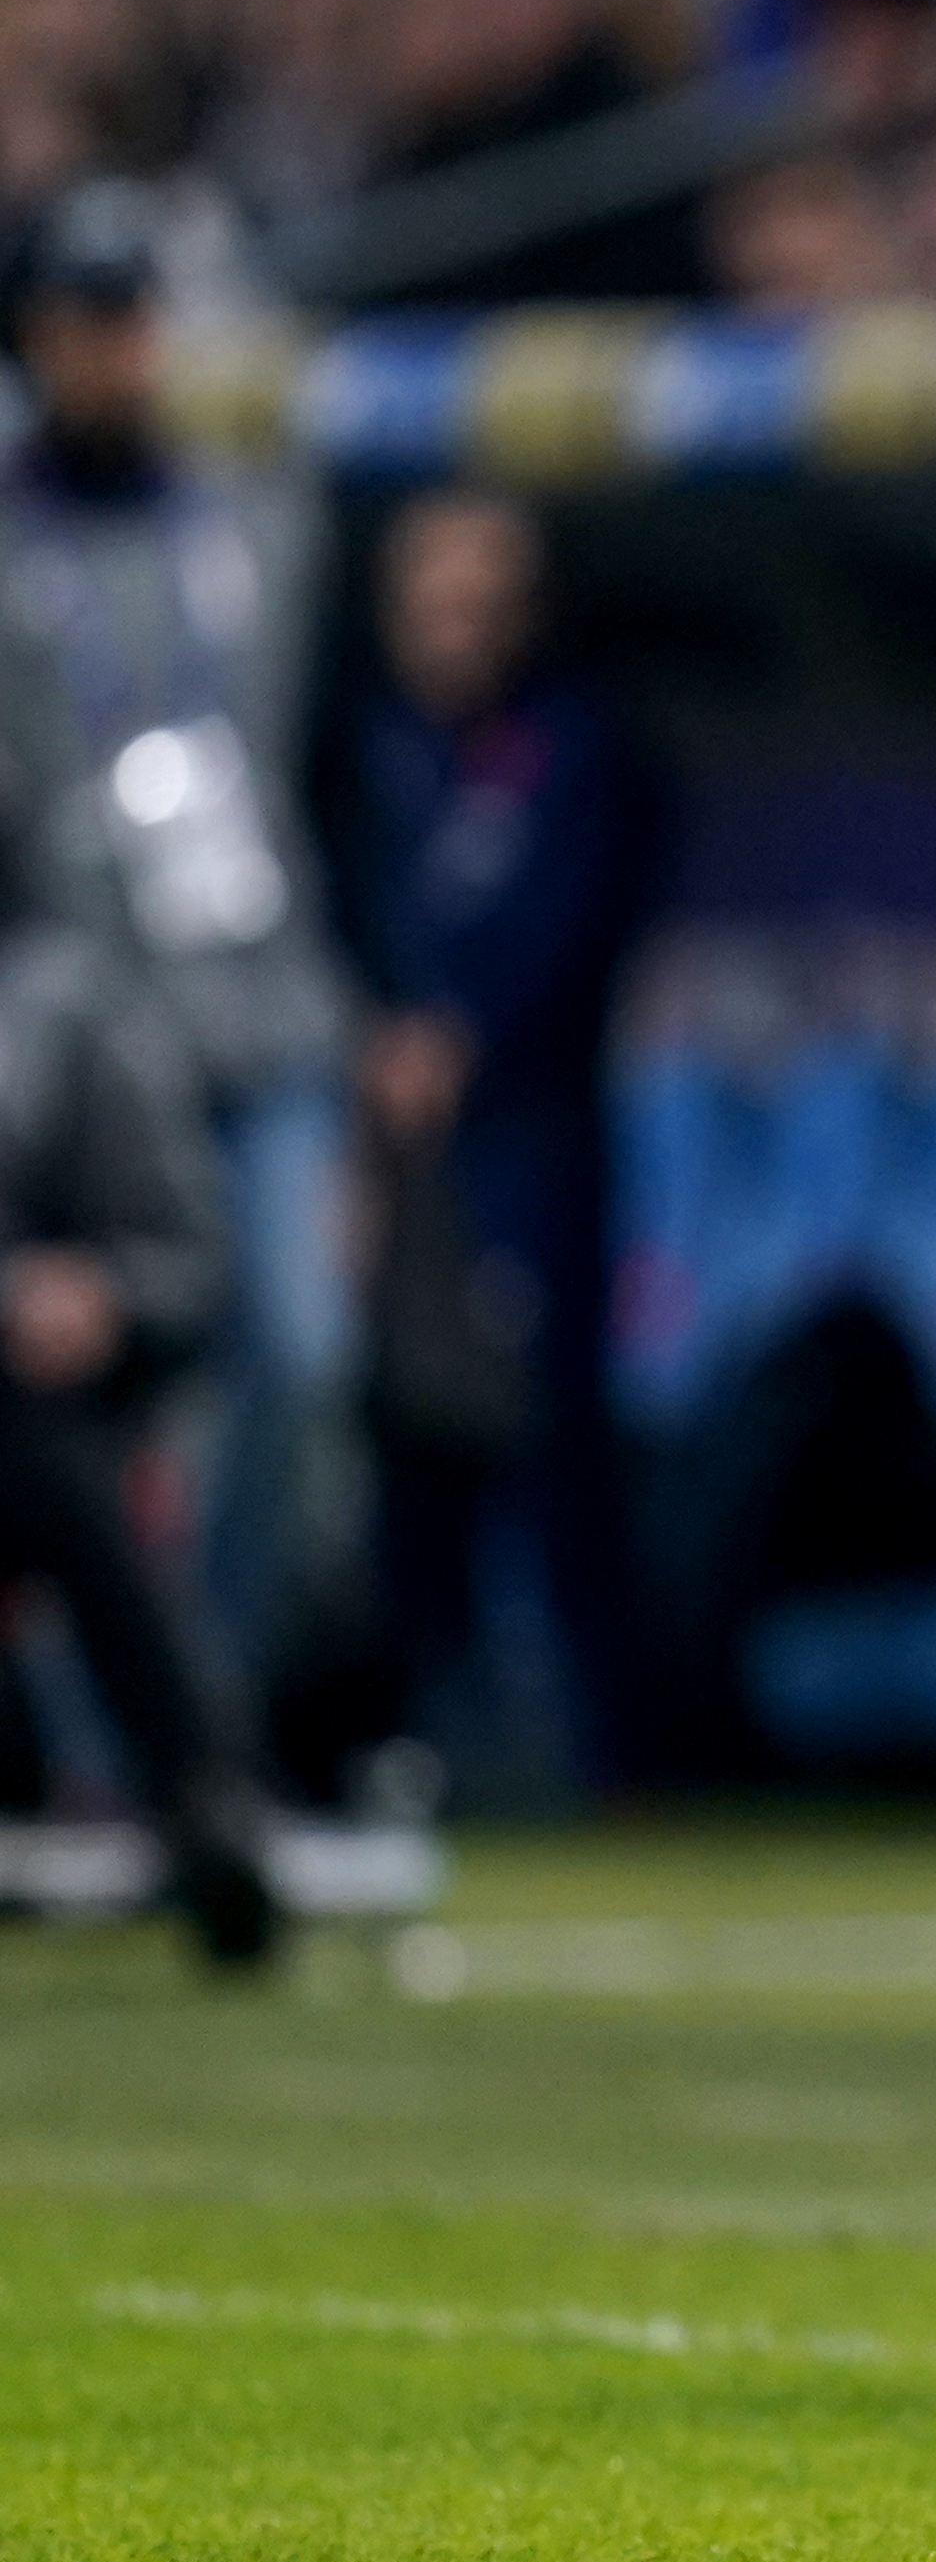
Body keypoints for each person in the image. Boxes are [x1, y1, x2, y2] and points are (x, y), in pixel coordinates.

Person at [0, 179, 357, 1721]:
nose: (112, 351)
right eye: (81, 321)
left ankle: (199, 1713)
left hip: (261, 1001)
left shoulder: (259, 518)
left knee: (299, 1355)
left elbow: (325, 760)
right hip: (78, 1029)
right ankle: (104, 1738)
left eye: (132, 317)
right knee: (88, 1391)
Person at [305, 487, 661, 1807]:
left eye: (479, 601)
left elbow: (585, 924)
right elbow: (330, 905)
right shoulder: (357, 746)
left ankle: (603, 1749)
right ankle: (404, 1739)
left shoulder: (581, 745)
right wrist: (375, 1035)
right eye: (429, 601)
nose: (451, 630)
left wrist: (468, 1036)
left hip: (530, 1134)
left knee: (549, 1433)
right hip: (379, 1139)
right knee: (389, 1440)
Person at [0, 900, 272, 1966]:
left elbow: (191, 1259)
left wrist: (103, 1294)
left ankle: (207, 1795)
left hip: (26, 1415)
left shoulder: (65, 1005)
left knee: (54, 1470)